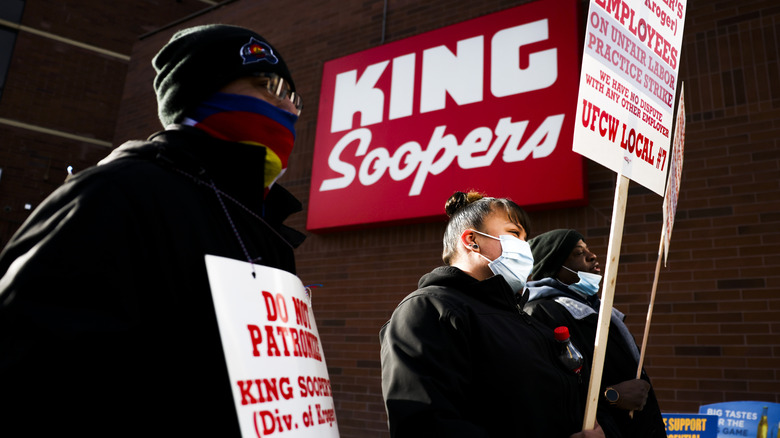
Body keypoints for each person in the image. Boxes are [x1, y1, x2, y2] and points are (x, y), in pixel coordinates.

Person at [0, 25, 305, 435]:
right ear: (202, 89)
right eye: (268, 85)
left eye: (293, 96)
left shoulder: (262, 225)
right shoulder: (115, 194)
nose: (287, 108)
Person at [380, 191, 604, 438]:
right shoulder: (427, 310)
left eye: (525, 238)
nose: (525, 247)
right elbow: (425, 425)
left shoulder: (523, 318)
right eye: (514, 233)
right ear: (472, 240)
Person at [524, 229, 667, 438]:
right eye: (578, 253)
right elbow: (550, 389)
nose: (592, 256)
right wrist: (612, 396)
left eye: (588, 249)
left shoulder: (598, 308)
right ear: (554, 267)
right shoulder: (541, 312)